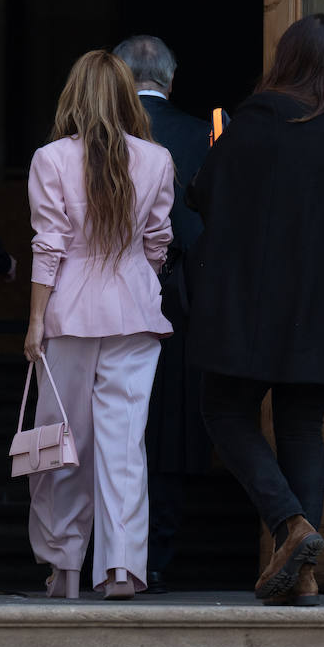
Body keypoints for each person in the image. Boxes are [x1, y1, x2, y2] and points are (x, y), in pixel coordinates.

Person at [185, 13, 324, 606]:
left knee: (223, 412)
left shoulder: (256, 121)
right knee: (302, 427)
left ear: (288, 60)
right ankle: (304, 575)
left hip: (255, 307)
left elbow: (203, 195)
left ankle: (290, 525)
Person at [24, 50, 175, 600]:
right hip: (135, 310)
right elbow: (158, 242)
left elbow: (49, 246)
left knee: (65, 442)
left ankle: (64, 566)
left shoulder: (51, 159)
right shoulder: (157, 160)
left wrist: (34, 321)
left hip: (67, 312)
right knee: (123, 444)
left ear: (75, 96)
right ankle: (122, 569)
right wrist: (136, 278)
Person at [112, 34, 213, 592]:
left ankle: (110, 552)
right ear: (171, 81)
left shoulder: (97, 140)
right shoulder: (205, 135)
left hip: (110, 301)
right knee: (171, 427)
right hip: (186, 299)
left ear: (119, 82)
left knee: (115, 425)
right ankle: (157, 552)